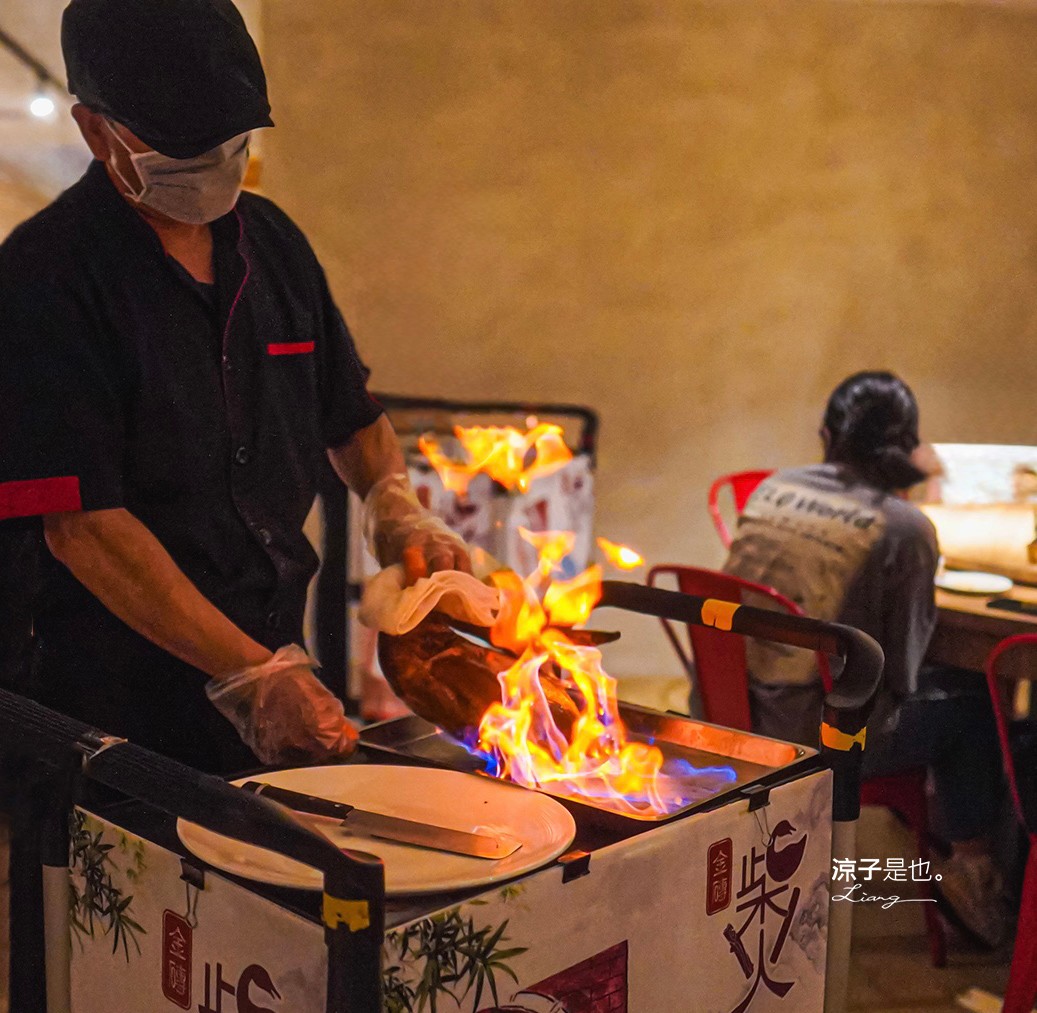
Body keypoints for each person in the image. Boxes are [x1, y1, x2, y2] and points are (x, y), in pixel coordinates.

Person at [0, 0, 469, 775]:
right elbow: (83, 527)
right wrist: (253, 671)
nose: (211, 162)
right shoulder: (44, 278)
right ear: (94, 130)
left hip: (277, 666)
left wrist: (396, 509)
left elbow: (350, 419)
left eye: (227, 139)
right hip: (113, 709)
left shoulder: (274, 244)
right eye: (178, 146)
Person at [724, 370, 1009, 946]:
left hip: (731, 705)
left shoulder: (774, 487)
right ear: (909, 445)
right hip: (817, 736)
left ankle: (933, 838)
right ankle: (973, 870)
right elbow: (902, 670)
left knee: (946, 692)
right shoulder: (904, 528)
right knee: (974, 702)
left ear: (826, 435)